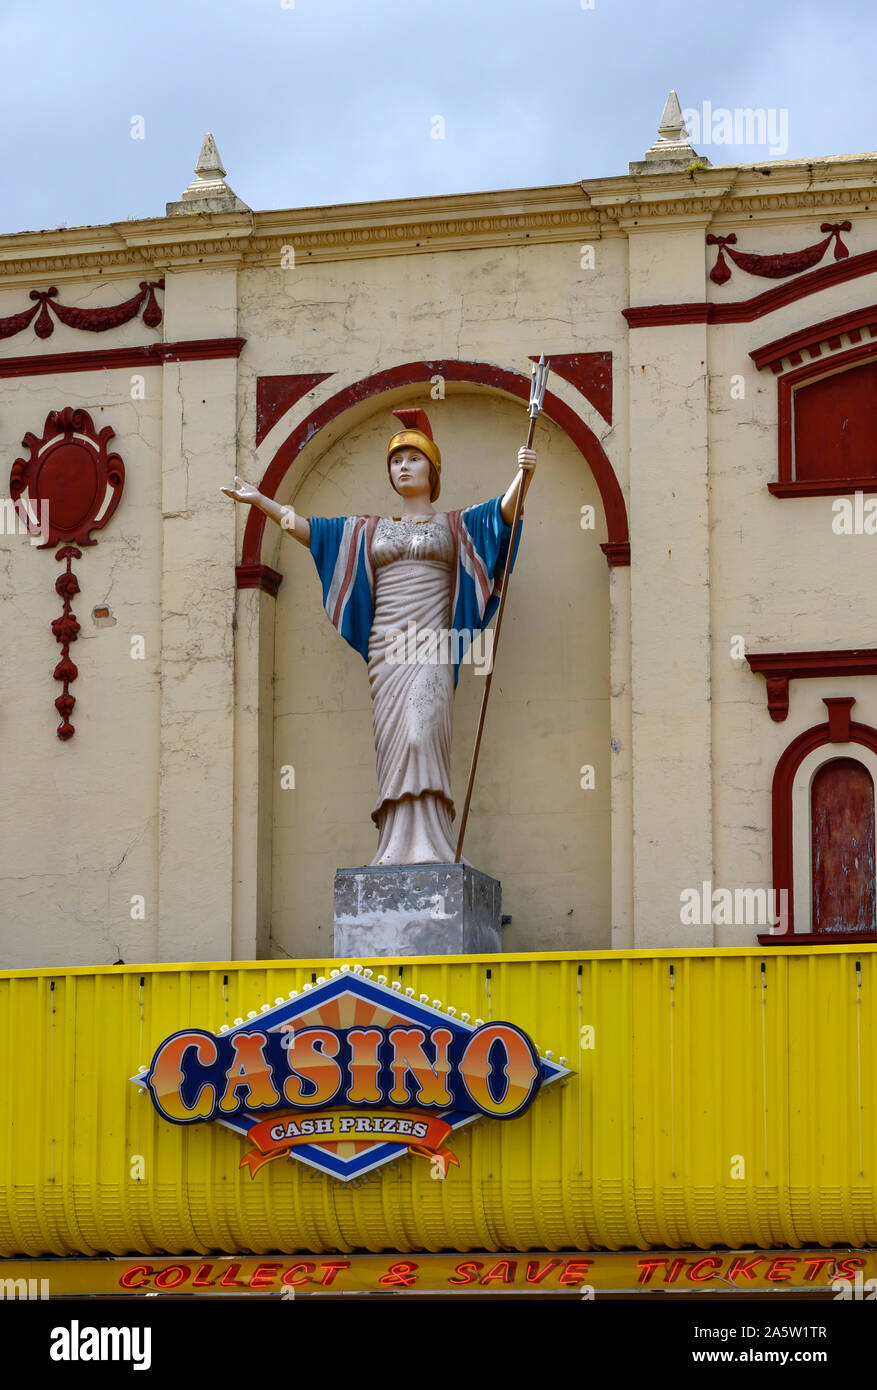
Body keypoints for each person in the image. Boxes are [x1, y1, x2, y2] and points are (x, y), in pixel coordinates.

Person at [222, 408, 535, 865]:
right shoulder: (371, 530)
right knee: (393, 744)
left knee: (420, 734)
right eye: (395, 460)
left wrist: (521, 475)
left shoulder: (454, 525)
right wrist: (261, 501)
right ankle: (396, 846)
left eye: (413, 458)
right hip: (386, 650)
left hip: (431, 646)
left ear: (433, 469)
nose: (403, 466)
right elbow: (313, 534)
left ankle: (435, 844)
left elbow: (500, 519)